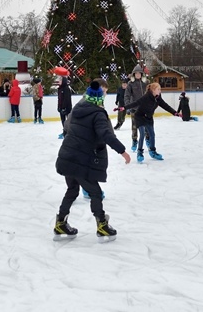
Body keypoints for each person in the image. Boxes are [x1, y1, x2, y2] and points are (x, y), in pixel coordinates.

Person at [53, 80, 131, 242]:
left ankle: (60, 223)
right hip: (81, 159)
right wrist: (122, 151)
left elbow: (68, 128)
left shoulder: (78, 109)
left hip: (68, 156)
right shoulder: (97, 113)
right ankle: (102, 225)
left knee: (73, 190)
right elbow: (106, 134)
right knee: (95, 193)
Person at [122, 82, 180, 163]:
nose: (160, 91)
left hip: (148, 117)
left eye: (160, 89)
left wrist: (175, 113)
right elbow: (136, 103)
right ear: (153, 90)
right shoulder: (146, 97)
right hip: (140, 116)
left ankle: (153, 152)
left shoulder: (158, 98)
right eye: (158, 89)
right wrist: (124, 108)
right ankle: (139, 153)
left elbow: (165, 106)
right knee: (142, 134)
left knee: (152, 134)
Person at [124, 64, 149, 151]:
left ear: (142, 74)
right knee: (134, 126)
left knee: (146, 125)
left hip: (144, 109)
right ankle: (134, 140)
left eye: (139, 73)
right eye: (136, 73)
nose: (138, 75)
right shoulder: (130, 84)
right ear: (134, 74)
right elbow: (127, 95)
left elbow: (151, 94)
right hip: (134, 109)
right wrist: (127, 106)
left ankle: (148, 139)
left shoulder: (146, 83)